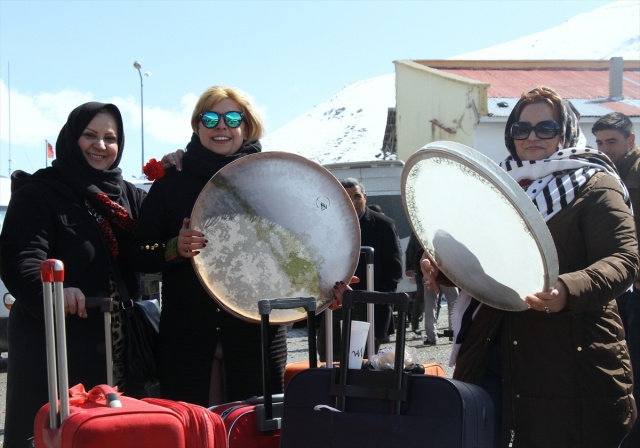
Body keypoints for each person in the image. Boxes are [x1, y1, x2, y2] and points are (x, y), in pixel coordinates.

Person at [421, 87, 638, 447]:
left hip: (570, 351)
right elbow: (480, 258)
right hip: (492, 342)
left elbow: (623, 260)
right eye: (521, 129)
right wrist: (442, 268)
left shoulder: (596, 185)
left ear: (566, 131)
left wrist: (567, 289)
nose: (532, 137)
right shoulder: (497, 185)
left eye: (545, 127)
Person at [129, 86, 287, 407]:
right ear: (197, 125)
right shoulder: (172, 179)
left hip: (256, 333)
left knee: (255, 431)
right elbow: (137, 251)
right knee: (195, 432)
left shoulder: (273, 177)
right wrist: (174, 247)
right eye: (210, 118)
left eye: (232, 117)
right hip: (188, 335)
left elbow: (300, 246)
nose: (221, 126)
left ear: (247, 125)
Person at [0, 102, 147, 447]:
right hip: (55, 346)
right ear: (71, 137)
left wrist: (176, 167)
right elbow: (20, 258)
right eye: (90, 135)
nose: (101, 145)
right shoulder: (39, 192)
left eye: (110, 138)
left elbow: (161, 234)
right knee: (57, 434)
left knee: (115, 433)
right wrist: (53, 292)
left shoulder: (127, 196)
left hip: (120, 348)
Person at [317, 178, 402, 361]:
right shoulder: (327, 225)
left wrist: (379, 301)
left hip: (368, 306)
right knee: (330, 359)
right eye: (346, 197)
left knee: (362, 363)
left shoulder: (383, 225)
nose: (353, 202)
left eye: (356, 196)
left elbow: (394, 270)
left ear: (365, 197)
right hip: (335, 304)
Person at [592, 112, 640, 405]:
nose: (604, 149)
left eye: (612, 141)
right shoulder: (601, 174)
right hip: (613, 281)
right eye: (599, 142)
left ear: (630, 140)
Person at [405, 232, 458, 345]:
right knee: (453, 301)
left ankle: (431, 337)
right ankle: (452, 335)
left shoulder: (421, 232)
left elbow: (411, 251)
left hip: (428, 272)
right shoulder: (448, 235)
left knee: (430, 304)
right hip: (446, 273)